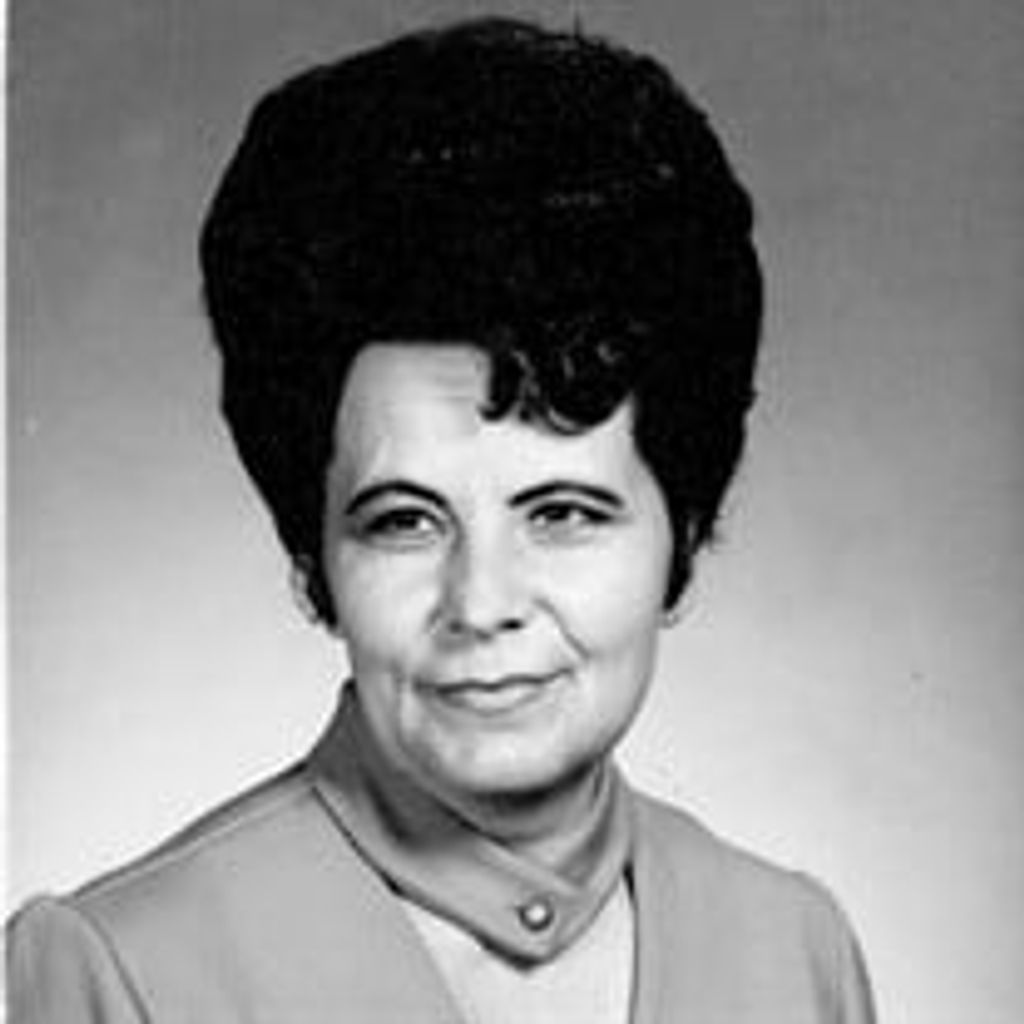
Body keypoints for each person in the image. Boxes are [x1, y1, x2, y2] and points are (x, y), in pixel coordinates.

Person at [8, 17, 875, 1023]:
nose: (481, 603)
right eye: (404, 522)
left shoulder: (795, 949)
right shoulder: (114, 970)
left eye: (562, 512)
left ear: (680, 536)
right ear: (314, 558)